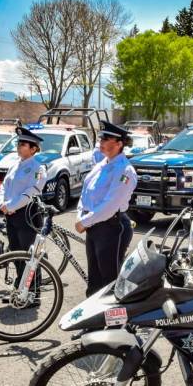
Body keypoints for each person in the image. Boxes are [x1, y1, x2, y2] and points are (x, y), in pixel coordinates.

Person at [76, 121, 137, 296]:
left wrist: (85, 221)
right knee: (94, 278)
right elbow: (85, 193)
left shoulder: (124, 170)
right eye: (101, 137)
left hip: (110, 227)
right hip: (94, 225)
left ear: (119, 144)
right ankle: (94, 318)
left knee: (109, 281)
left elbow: (110, 205)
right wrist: (80, 215)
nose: (101, 141)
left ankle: (114, 320)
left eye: (107, 138)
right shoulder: (101, 165)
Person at [0, 126, 47, 302]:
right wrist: (2, 203)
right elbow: (4, 186)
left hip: (27, 215)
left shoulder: (38, 168)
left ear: (33, 149)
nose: (19, 146)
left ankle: (33, 294)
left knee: (29, 256)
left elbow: (31, 191)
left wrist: (11, 205)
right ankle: (20, 290)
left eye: (23, 144)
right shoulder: (15, 165)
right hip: (10, 214)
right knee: (16, 254)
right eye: (19, 143)